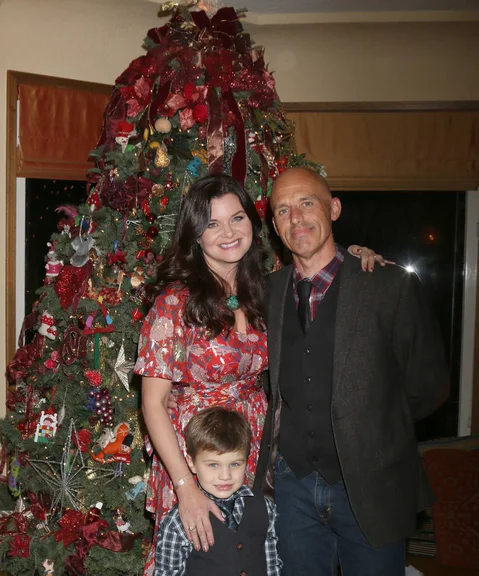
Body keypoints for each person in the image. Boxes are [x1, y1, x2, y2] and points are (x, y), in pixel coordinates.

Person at [135, 173, 380, 573]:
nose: (228, 232)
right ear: (195, 235)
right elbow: (153, 403)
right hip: (196, 458)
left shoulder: (268, 292)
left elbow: (324, 279)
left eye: (237, 218)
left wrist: (356, 256)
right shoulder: (174, 304)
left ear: (254, 223)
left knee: (252, 561)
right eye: (212, 224)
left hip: (254, 456)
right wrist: (185, 487)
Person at [255, 167, 450, 576]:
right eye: (284, 210)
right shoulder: (266, 293)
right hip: (292, 488)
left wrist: (373, 427)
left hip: (371, 485)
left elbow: (429, 387)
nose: (297, 218)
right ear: (274, 225)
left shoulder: (389, 286)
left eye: (308, 203)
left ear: (335, 208)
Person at [154, 406, 282, 576]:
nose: (225, 476)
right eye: (213, 465)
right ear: (191, 463)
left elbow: (272, 565)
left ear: (247, 460)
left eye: (235, 464)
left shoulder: (266, 509)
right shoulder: (177, 523)